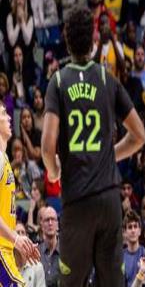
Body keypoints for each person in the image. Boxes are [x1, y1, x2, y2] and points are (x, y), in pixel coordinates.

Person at [41, 6, 145, 286]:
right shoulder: (105, 78)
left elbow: (47, 146)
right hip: (109, 199)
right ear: (93, 39)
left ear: (66, 39)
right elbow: (139, 135)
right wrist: (109, 155)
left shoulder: (58, 81)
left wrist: (54, 171)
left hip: (77, 200)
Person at [0, 103, 40, 285]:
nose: (9, 117)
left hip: (6, 251)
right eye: (3, 114)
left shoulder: (5, 159)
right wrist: (16, 238)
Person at [14, 221, 45, 287]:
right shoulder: (6, 265)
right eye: (17, 233)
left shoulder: (37, 267)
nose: (21, 236)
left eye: (23, 232)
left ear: (27, 237)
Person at [123, 210, 145, 287]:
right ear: (124, 232)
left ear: (139, 231)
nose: (133, 230)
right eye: (130, 227)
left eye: (135, 226)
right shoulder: (120, 257)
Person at [39, 206, 60, 287]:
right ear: (42, 226)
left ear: (57, 225)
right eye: (47, 220)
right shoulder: (36, 253)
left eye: (53, 219)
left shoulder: (66, 253)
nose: (50, 223)